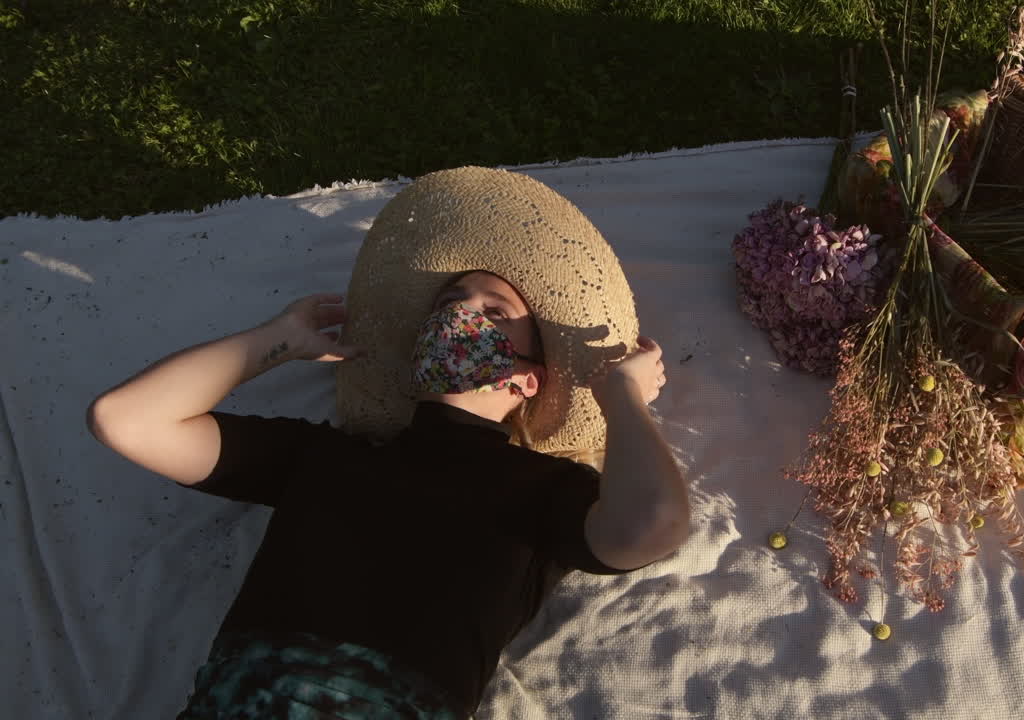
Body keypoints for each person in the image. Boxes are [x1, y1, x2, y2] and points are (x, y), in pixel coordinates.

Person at [86, 167, 691, 719]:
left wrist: (619, 397)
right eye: (451, 303)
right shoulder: (324, 456)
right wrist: (279, 340)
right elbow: (126, 420)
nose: (462, 315)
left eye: (494, 312)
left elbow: (655, 524)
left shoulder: (547, 492)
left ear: (526, 378)